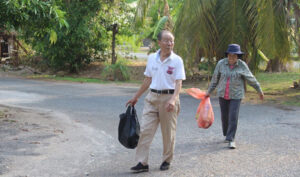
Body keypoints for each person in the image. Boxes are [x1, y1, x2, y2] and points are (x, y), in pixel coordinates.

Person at [126, 30, 186, 173]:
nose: (169, 43)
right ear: (159, 42)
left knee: (168, 133)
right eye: (166, 40)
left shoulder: (177, 60)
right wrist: (136, 96)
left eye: (171, 41)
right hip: (152, 98)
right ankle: (142, 162)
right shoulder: (152, 58)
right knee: (145, 130)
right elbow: (148, 79)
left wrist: (173, 100)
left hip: (169, 99)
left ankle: (166, 160)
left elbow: (179, 83)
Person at [206, 44, 264, 149]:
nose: (232, 58)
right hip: (222, 94)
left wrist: (259, 90)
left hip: (236, 95)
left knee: (233, 116)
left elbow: (250, 78)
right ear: (227, 55)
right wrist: (209, 91)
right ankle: (227, 134)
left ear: (238, 56)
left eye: (234, 56)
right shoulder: (221, 64)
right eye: (230, 55)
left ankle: (231, 139)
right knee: (225, 117)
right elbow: (215, 79)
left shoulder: (242, 65)